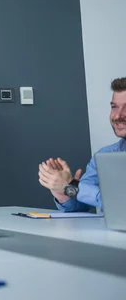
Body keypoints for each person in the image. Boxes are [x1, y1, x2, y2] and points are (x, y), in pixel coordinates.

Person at [38, 77, 126, 212]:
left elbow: (120, 206)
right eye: (114, 107)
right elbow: (81, 204)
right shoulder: (105, 155)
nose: (117, 116)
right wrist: (63, 192)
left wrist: (72, 187)